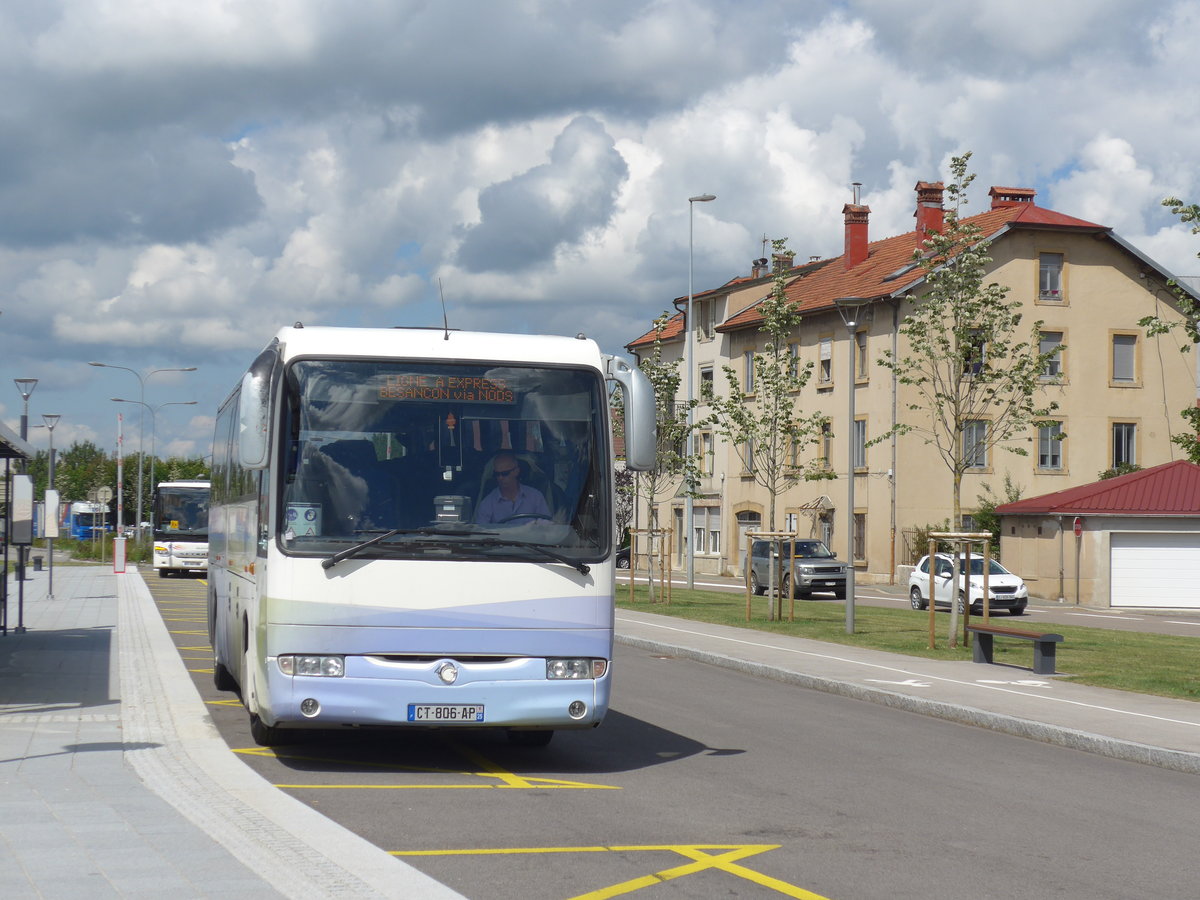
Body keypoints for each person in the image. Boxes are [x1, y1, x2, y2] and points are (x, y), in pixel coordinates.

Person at [475, 452, 551, 524]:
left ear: (516, 471)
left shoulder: (536, 497)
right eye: (497, 474)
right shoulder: (487, 503)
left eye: (505, 473)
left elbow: (547, 527)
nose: (500, 478)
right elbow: (481, 530)